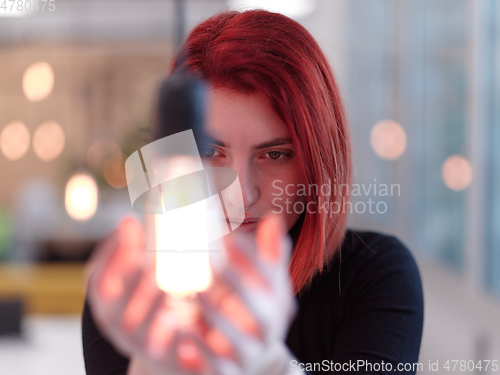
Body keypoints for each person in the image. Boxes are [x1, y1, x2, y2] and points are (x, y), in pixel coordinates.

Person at [82, 9, 424, 375]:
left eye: (275, 154)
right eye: (211, 152)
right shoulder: (135, 296)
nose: (242, 195)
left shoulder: (373, 275)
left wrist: (265, 364)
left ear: (318, 163)